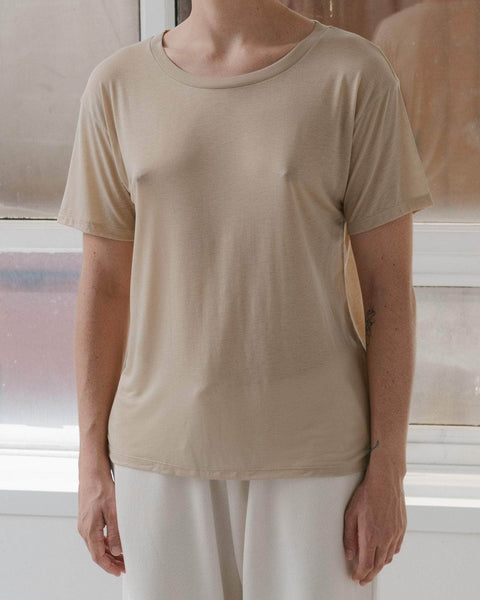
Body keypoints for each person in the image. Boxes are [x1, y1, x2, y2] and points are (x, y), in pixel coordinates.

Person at [57, 1, 433, 598]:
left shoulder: (354, 75)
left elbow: (389, 295)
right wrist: (89, 462)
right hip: (157, 455)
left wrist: (389, 468)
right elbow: (104, 288)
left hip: (317, 460)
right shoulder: (118, 84)